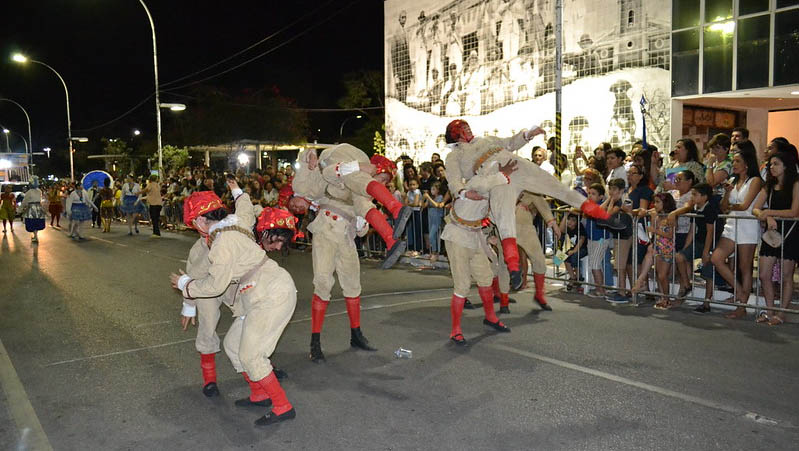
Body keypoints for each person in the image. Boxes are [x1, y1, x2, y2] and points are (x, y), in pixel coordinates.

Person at [443, 119, 619, 291]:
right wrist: (464, 192)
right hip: (494, 175)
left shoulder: (486, 139)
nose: (468, 130)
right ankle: (513, 267)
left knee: (554, 185)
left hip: (515, 164)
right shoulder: (455, 155)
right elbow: (453, 180)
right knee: (505, 221)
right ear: (456, 134)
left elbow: (510, 143)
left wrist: (527, 134)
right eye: (463, 129)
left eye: (467, 127)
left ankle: (602, 215)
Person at [170, 190, 298, 426]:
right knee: (232, 345)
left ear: (199, 221)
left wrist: (185, 287)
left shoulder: (221, 242)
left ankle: (282, 406)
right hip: (256, 294)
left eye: (193, 223)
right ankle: (259, 394)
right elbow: (246, 207)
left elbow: (214, 284)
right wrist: (238, 191)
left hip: (270, 294)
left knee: (251, 355)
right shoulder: (237, 224)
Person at [176, 179, 258, 397]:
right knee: (207, 327)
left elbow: (245, 210)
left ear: (200, 219)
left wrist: (237, 191)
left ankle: (258, 369)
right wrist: (189, 305)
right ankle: (210, 380)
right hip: (208, 290)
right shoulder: (199, 249)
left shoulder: (233, 227)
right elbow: (193, 278)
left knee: (251, 321)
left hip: (234, 284)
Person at [292, 149, 408, 269]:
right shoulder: (314, 198)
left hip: (341, 164)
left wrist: (311, 154)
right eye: (383, 179)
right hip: (338, 171)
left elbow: (309, 161)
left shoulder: (300, 187)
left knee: (361, 194)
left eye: (294, 205)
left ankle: (393, 223)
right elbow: (324, 170)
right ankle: (392, 233)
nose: (297, 208)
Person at [304, 184, 375, 363]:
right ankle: (315, 342)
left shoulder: (362, 194)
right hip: (325, 232)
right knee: (322, 283)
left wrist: (362, 224)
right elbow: (312, 190)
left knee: (352, 285)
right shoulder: (333, 180)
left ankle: (356, 334)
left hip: (346, 238)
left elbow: (363, 231)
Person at [441, 195, 510, 346]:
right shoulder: (475, 184)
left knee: (486, 277)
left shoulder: (494, 191)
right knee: (462, 285)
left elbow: (486, 220)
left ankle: (490, 317)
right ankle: (455, 330)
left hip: (475, 236)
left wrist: (491, 246)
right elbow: (461, 191)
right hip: (457, 235)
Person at [711, 145, 762, 319]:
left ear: (747, 163)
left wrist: (731, 206)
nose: (734, 164)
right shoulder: (732, 181)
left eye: (737, 161)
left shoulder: (755, 180)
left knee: (744, 267)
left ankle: (741, 306)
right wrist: (726, 194)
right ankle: (740, 292)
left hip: (748, 225)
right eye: (733, 161)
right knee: (716, 258)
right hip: (731, 224)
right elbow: (723, 207)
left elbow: (745, 206)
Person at [752, 150, 799, 326]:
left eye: (776, 164)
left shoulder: (795, 184)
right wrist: (766, 216)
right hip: (771, 234)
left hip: (790, 232)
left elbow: (794, 211)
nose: (772, 167)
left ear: (786, 165)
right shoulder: (768, 186)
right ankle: (770, 310)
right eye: (770, 164)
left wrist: (768, 212)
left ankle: (782, 313)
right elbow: (755, 208)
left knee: (787, 276)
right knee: (764, 274)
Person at [668, 183, 722, 314]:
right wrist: (686, 249)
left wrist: (705, 251)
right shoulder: (695, 208)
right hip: (698, 241)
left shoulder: (710, 209)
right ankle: (687, 285)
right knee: (680, 257)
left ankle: (706, 303)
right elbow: (692, 230)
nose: (692, 197)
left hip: (711, 243)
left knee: (708, 273)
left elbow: (710, 231)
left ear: (704, 197)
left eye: (695, 194)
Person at [632, 193, 676, 308]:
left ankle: (666, 299)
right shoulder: (656, 214)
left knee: (662, 275)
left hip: (667, 248)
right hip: (657, 245)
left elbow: (670, 235)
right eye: (654, 202)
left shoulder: (671, 216)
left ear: (665, 203)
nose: (655, 204)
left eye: (657, 202)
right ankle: (661, 296)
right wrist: (646, 214)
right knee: (658, 272)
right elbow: (642, 211)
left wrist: (655, 230)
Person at [584, 184, 613, 298]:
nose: (590, 196)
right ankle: (599, 288)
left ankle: (600, 290)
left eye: (593, 194)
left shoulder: (603, 205)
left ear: (601, 196)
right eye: (589, 193)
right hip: (591, 238)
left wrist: (609, 199)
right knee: (593, 264)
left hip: (601, 239)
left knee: (596, 264)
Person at [560, 213, 587, 292]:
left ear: (577, 222)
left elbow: (582, 239)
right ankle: (573, 277)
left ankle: (579, 277)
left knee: (574, 256)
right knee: (559, 257)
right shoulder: (568, 227)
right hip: (574, 248)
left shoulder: (580, 227)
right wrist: (565, 215)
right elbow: (561, 229)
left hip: (583, 248)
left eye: (573, 220)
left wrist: (574, 250)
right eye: (569, 219)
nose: (570, 222)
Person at [424, 181, 446, 264]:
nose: (432, 191)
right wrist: (424, 198)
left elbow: (437, 205)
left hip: (436, 219)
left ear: (438, 190)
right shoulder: (431, 198)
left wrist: (429, 198)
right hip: (430, 218)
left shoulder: (440, 197)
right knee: (432, 236)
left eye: (433, 189)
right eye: (431, 189)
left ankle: (435, 251)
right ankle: (434, 251)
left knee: (432, 235)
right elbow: (424, 205)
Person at [20, 176, 46, 242]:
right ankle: (35, 235)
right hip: (38, 207)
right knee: (37, 222)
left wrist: (19, 209)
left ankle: (35, 236)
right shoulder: (39, 191)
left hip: (31, 208)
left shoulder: (29, 192)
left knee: (32, 222)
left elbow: (25, 201)